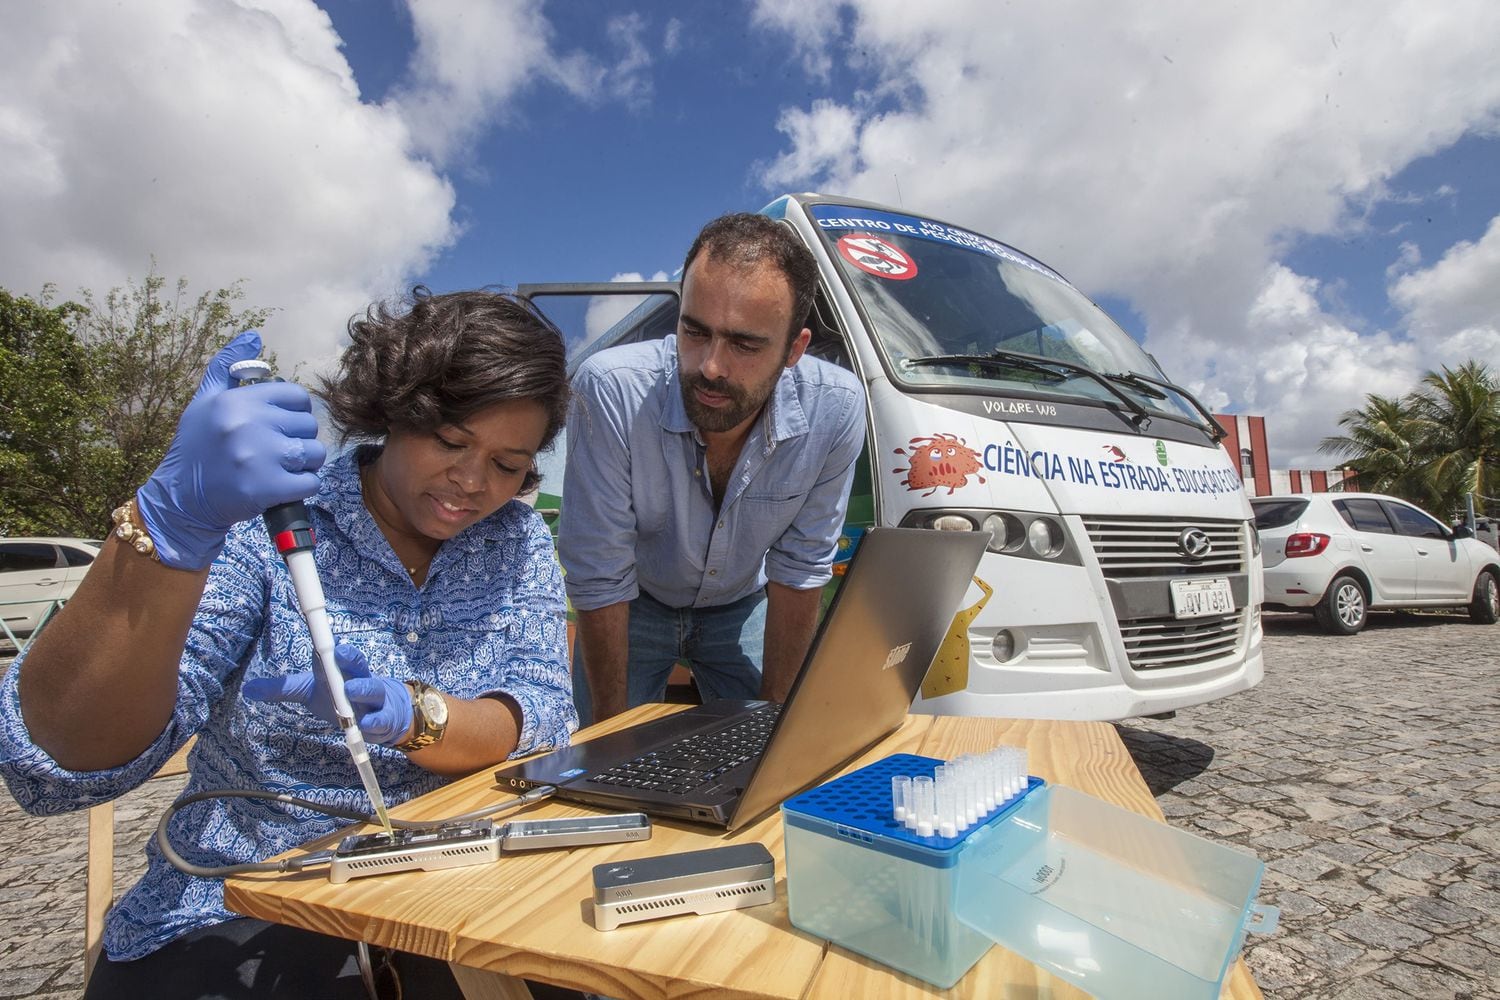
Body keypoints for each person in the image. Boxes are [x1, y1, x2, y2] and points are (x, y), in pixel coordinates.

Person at [0, 288, 577, 999]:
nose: (471, 481)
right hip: (251, 892)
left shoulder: (515, 541)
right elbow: (60, 770)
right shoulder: (259, 524)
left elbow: (542, 713)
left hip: (458, 885)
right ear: (391, 411)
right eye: (452, 442)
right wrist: (169, 528)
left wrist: (414, 715)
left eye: (507, 464)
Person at [559, 212, 866, 725]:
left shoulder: (834, 408)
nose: (711, 367)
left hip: (742, 603)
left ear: (795, 349)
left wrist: (776, 729)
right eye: (694, 332)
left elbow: (801, 568)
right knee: (599, 751)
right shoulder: (610, 391)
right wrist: (607, 741)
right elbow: (601, 575)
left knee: (771, 743)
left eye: (745, 344)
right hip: (634, 602)